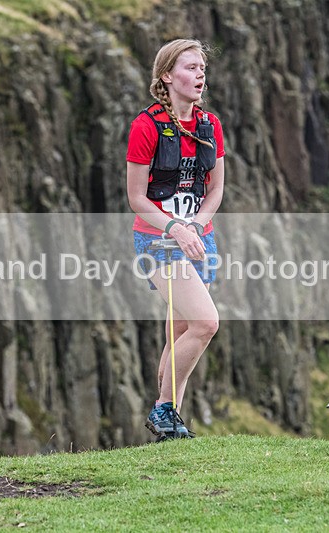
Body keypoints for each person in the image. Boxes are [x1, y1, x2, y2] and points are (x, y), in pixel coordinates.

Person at [126, 39, 226, 440]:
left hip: (200, 238)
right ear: (166, 76)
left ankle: (170, 427)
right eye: (190, 67)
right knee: (205, 323)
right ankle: (163, 410)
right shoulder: (145, 126)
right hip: (157, 240)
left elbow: (215, 188)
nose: (199, 74)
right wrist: (176, 228)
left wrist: (198, 224)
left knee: (182, 330)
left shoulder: (210, 125)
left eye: (202, 67)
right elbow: (136, 199)